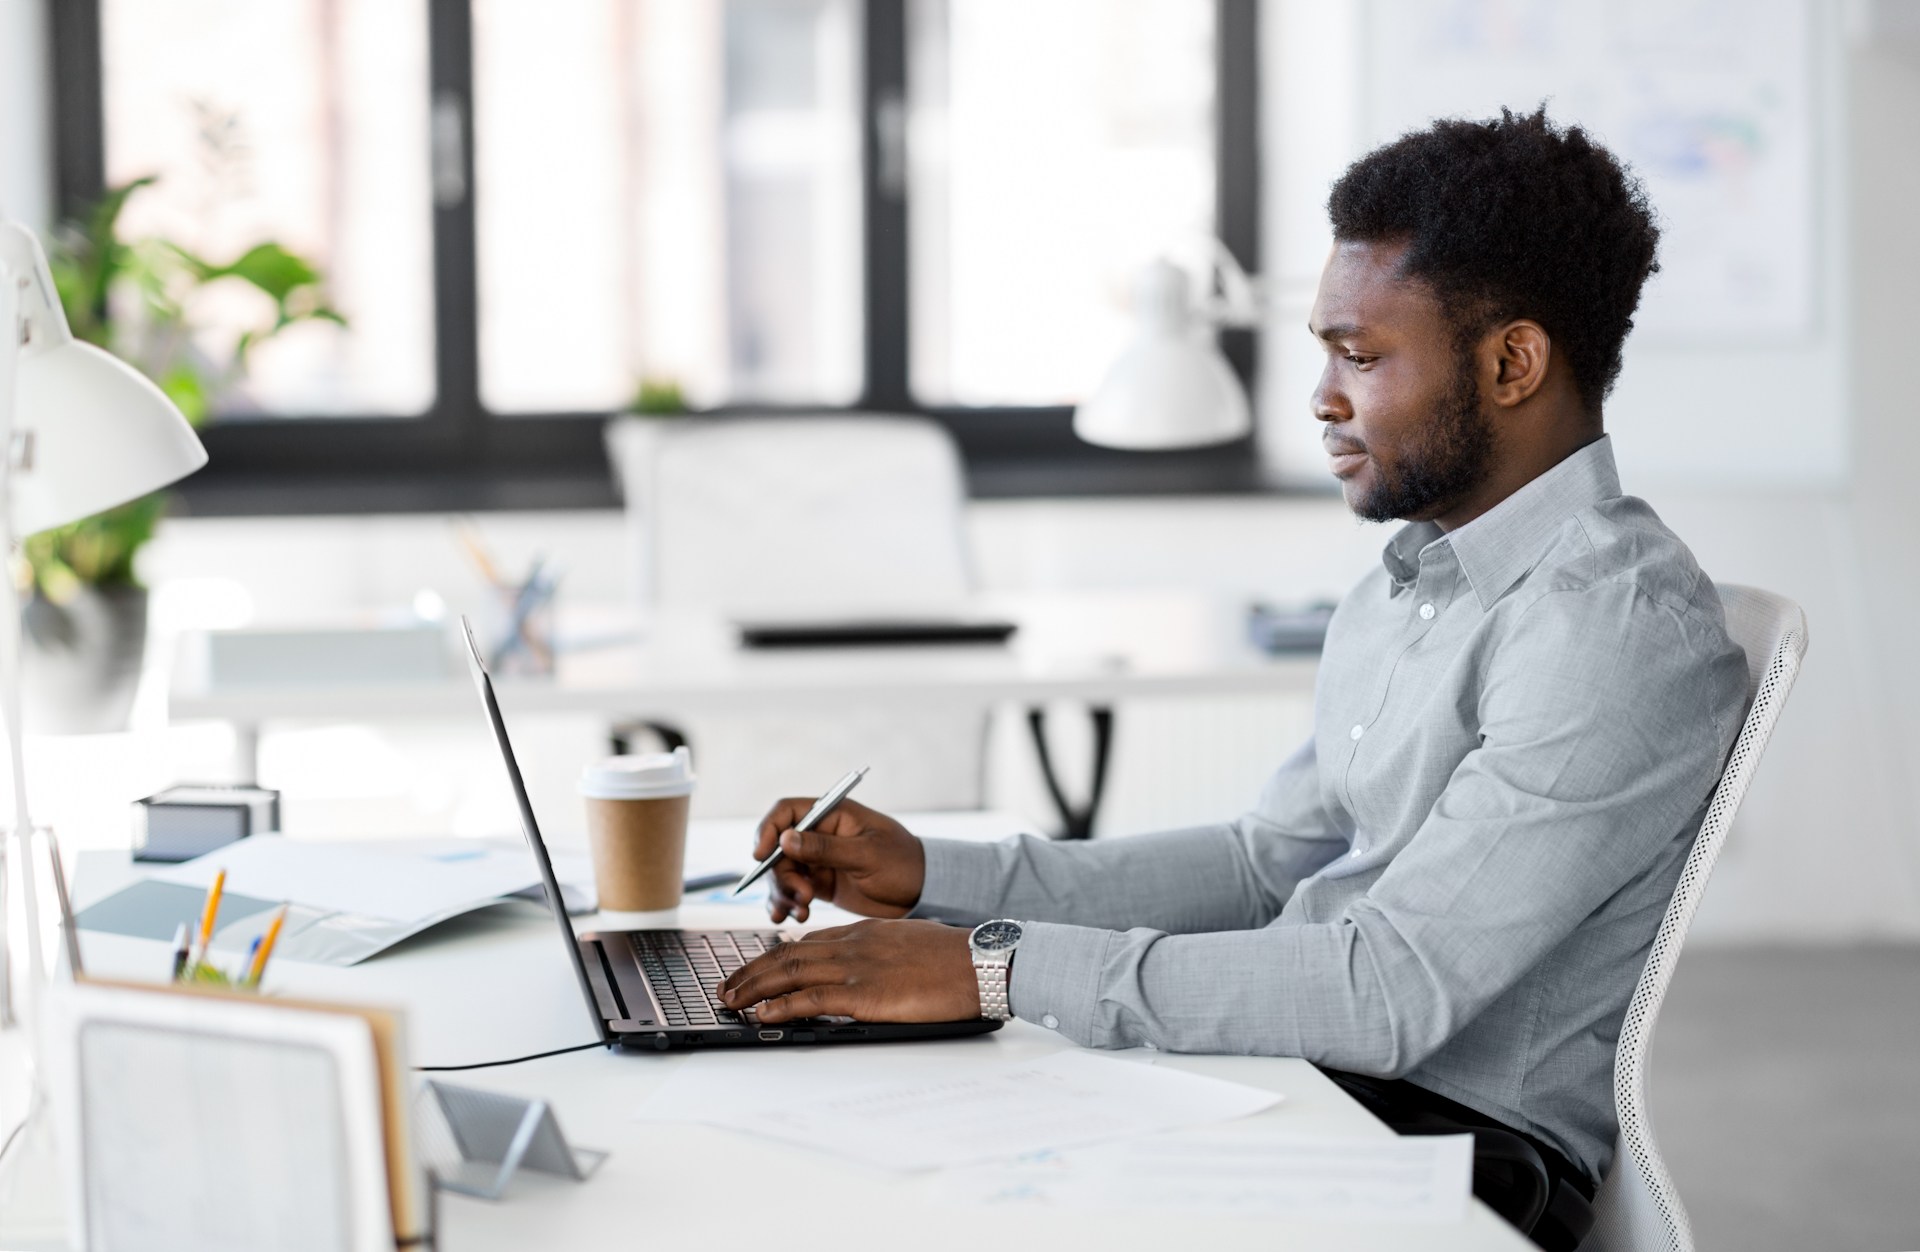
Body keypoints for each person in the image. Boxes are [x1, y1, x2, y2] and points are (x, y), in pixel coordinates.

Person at [717, 108, 1747, 1250]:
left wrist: (992, 966)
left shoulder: (1612, 629)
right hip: (1307, 1084)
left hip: (1446, 1160)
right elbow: (1266, 867)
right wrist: (936, 877)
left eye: (1360, 356)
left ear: (1512, 362)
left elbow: (1390, 991)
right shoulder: (1410, 582)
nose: (1320, 396)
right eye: (1324, 351)